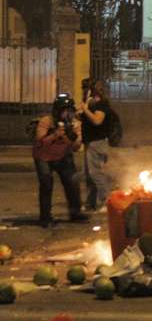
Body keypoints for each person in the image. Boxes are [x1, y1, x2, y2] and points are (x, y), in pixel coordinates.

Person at [33, 93, 88, 227]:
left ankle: (75, 213)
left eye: (69, 110)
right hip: (43, 157)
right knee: (46, 183)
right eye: (64, 110)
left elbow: (76, 147)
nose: (66, 113)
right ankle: (45, 217)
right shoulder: (47, 121)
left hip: (63, 156)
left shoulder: (75, 124)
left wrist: (69, 137)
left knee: (72, 182)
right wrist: (56, 134)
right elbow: (40, 141)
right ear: (57, 110)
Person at [79, 79, 113, 212]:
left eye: (85, 89)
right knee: (89, 174)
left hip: (97, 143)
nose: (83, 91)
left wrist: (85, 109)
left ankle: (107, 201)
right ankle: (90, 203)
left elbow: (97, 121)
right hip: (90, 142)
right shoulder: (91, 103)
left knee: (96, 173)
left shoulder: (101, 104)